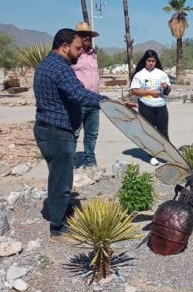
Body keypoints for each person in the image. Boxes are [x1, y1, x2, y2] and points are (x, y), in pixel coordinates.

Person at [33, 28, 136, 241]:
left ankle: (60, 211)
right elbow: (79, 94)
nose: (80, 52)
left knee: (57, 176)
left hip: (46, 130)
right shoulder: (60, 68)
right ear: (64, 47)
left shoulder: (46, 64)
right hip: (58, 133)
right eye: (77, 48)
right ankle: (58, 227)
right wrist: (111, 103)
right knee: (62, 181)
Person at [130, 50, 171, 165]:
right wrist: (149, 92)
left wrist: (166, 87)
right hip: (146, 106)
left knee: (163, 131)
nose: (151, 63)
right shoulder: (139, 75)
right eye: (149, 61)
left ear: (156, 62)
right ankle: (152, 155)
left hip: (161, 105)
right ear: (145, 61)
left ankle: (167, 154)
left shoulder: (161, 74)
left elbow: (168, 91)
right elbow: (134, 90)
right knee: (149, 131)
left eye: (153, 61)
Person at [71, 21, 101, 168]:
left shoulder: (93, 53)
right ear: (77, 37)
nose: (87, 37)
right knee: (74, 133)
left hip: (94, 101)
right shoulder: (74, 54)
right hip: (78, 101)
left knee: (92, 133)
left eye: (89, 35)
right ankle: (70, 163)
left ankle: (89, 161)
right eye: (83, 35)